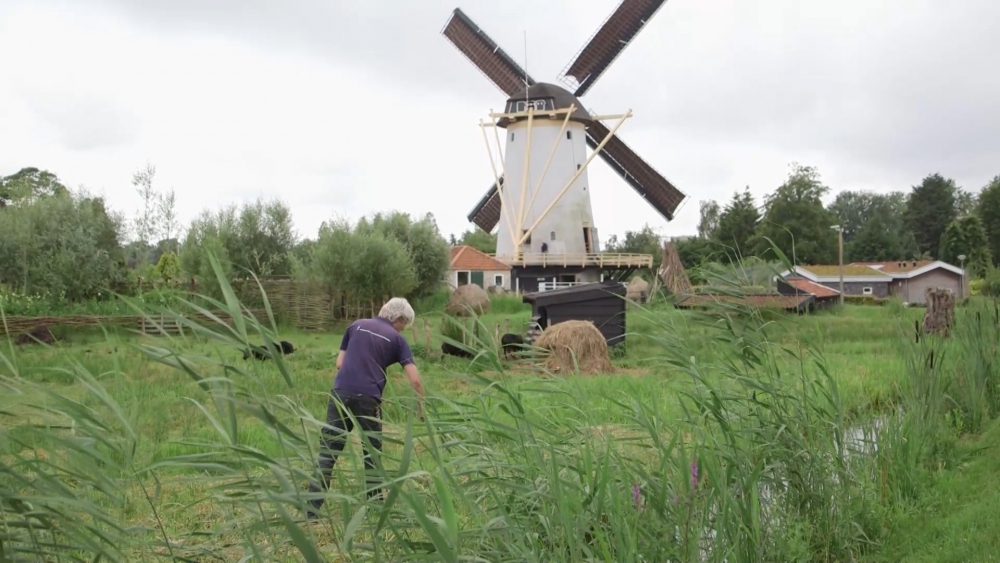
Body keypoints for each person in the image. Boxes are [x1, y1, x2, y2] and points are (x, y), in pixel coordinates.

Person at [306, 297, 425, 517]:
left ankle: (311, 510)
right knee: (372, 453)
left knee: (329, 451)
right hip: (368, 398)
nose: (403, 330)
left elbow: (340, 363)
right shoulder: (397, 339)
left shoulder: (356, 325)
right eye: (404, 325)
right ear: (399, 319)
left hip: (340, 393)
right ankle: (374, 506)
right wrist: (421, 409)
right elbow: (415, 381)